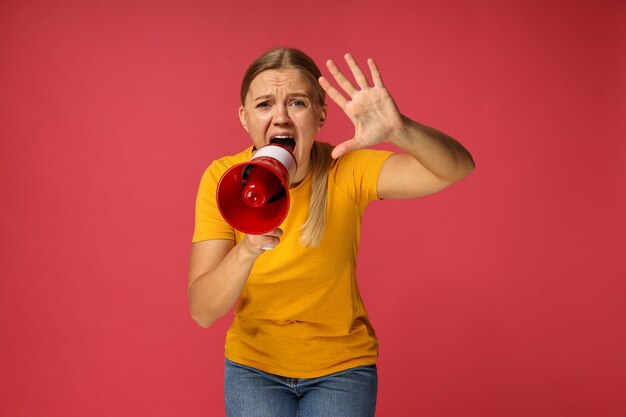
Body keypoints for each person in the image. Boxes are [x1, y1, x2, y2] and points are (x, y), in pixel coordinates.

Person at [188, 47, 474, 417]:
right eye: (264, 105)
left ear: (321, 115)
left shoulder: (346, 169)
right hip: (254, 369)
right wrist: (247, 248)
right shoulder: (223, 179)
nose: (280, 118)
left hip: (341, 370)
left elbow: (456, 168)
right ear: (244, 118)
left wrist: (399, 130)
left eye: (297, 103)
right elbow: (203, 311)